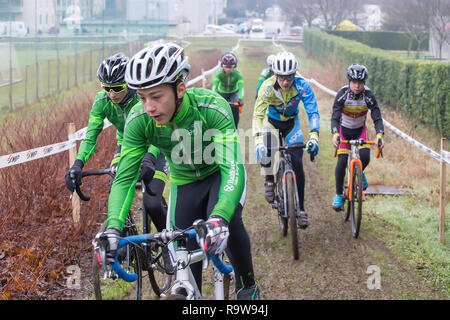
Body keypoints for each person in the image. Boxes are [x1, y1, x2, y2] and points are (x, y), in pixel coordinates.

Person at [101, 43, 259, 300]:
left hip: (218, 175)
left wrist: (219, 216)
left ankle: (248, 285)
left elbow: (232, 167)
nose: (149, 107)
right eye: (142, 98)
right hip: (184, 184)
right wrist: (113, 228)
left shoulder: (212, 108)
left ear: (180, 89)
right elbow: (125, 179)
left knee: (227, 223)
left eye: (157, 96)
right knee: (185, 268)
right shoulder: (140, 121)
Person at [64, 52, 168, 233]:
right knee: (116, 195)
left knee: (152, 205)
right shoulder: (102, 101)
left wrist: (150, 157)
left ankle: (169, 247)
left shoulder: (142, 97)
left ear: (128, 83)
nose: (112, 94)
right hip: (127, 146)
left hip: (155, 145)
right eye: (106, 88)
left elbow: (161, 128)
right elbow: (90, 137)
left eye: (118, 88)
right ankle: (125, 240)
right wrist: (78, 164)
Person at [252, 51, 320, 229]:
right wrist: (258, 141)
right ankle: (269, 180)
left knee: (297, 161)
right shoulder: (267, 87)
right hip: (271, 123)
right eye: (281, 78)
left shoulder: (302, 86)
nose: (285, 82)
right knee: (268, 149)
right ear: (275, 74)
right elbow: (258, 115)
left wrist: (314, 136)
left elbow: (312, 111)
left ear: (294, 74)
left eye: (289, 77)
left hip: (292, 124)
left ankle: (302, 209)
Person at [331, 64, 384, 211]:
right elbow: (335, 117)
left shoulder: (369, 96)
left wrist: (380, 135)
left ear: (364, 83)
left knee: (365, 157)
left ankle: (359, 172)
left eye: (360, 82)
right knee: (341, 162)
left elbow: (377, 117)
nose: (357, 85)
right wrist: (335, 134)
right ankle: (338, 195)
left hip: (360, 130)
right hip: (343, 131)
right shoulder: (342, 94)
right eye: (354, 82)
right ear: (349, 81)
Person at [211, 52, 244, 128]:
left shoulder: (238, 74)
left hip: (233, 93)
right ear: (222, 66)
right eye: (226, 67)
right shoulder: (219, 73)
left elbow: (241, 87)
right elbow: (215, 85)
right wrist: (213, 96)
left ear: (234, 66)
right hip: (222, 93)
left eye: (230, 67)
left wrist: (240, 98)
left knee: (235, 109)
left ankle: (235, 128)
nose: (228, 69)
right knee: (216, 109)